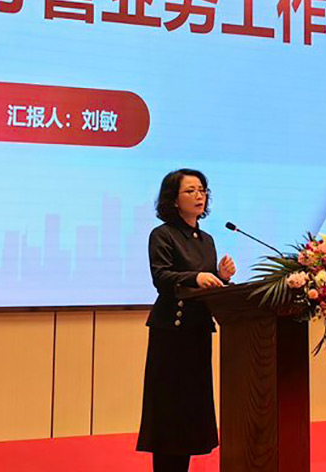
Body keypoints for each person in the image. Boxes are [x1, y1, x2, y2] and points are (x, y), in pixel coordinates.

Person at [136, 168, 237, 472]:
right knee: (170, 412)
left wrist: (221, 277)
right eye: (190, 191)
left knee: (190, 412)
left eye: (202, 190)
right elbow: (162, 277)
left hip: (197, 333)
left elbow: (205, 286)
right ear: (174, 199)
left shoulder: (206, 240)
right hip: (171, 333)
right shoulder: (163, 235)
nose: (199, 196)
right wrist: (197, 277)